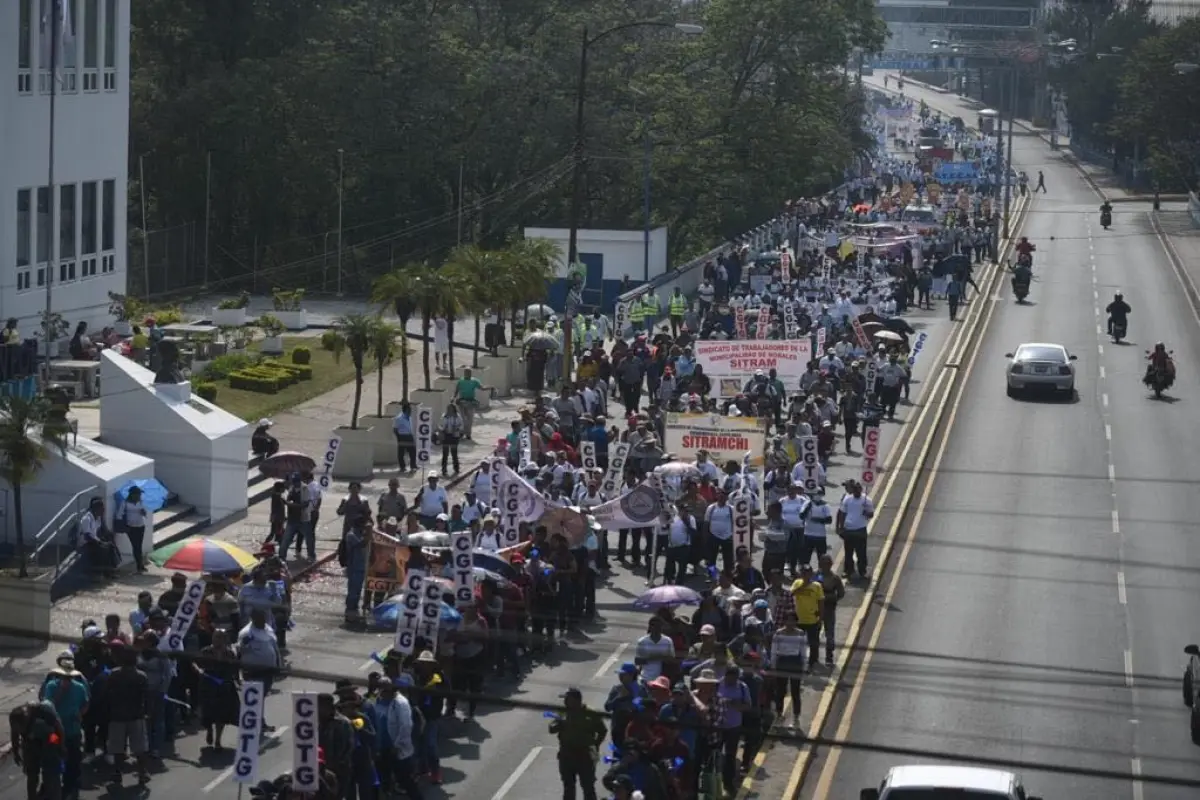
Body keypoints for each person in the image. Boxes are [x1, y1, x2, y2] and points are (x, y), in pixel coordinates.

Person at [549, 687, 607, 800]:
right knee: (568, 788)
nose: (565, 702)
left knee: (588, 788)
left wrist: (596, 745)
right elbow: (551, 728)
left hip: (584, 755)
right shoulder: (562, 712)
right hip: (566, 755)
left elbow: (602, 731)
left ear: (576, 700)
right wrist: (558, 725)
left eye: (567, 699)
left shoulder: (591, 713)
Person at [117, 485, 150, 572]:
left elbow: (145, 514)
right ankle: (139, 565)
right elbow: (119, 515)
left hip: (140, 526)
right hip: (131, 527)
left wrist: (143, 513)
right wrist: (124, 526)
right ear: (132, 494)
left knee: (139, 545)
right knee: (135, 546)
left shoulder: (140, 502)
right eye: (138, 494)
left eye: (140, 494)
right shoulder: (125, 503)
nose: (139, 496)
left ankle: (140, 565)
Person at [452, 368, 484, 439]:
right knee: (463, 419)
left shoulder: (474, 381)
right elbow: (456, 391)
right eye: (466, 373)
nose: (468, 374)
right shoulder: (460, 381)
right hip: (461, 402)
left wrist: (491, 388)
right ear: (464, 373)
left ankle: (468, 434)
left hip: (471, 402)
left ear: (471, 373)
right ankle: (462, 432)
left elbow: (482, 388)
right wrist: (453, 398)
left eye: (469, 373)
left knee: (470, 419)